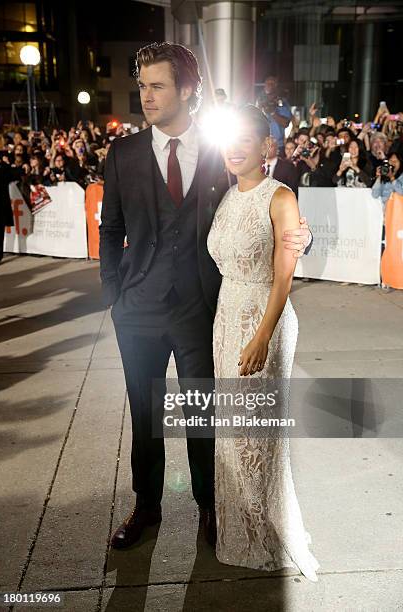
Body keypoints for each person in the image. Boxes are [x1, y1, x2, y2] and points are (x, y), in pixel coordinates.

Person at [99, 42, 312, 551]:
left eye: (158, 86)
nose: (146, 97)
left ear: (188, 90)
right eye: (142, 86)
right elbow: (111, 228)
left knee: (202, 414)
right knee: (145, 413)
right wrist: (114, 294)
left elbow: (267, 206)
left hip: (202, 309)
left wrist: (301, 238)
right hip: (138, 311)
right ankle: (146, 504)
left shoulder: (222, 155)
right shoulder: (123, 154)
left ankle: (209, 507)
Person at [207, 105, 319, 581]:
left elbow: (282, 278)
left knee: (259, 434)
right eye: (229, 142)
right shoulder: (228, 197)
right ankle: (238, 529)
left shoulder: (281, 197)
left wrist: (262, 336)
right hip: (227, 315)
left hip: (262, 320)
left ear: (265, 147)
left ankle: (265, 532)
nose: (235, 150)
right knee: (234, 433)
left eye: (245, 141)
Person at [256, 75, 292, 156]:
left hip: (278, 145)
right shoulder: (259, 101)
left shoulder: (282, 103)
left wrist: (272, 112)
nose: (269, 85)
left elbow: (285, 123)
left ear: (276, 86)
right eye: (267, 83)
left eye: (272, 83)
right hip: (261, 145)